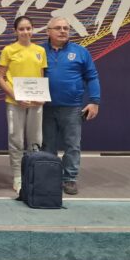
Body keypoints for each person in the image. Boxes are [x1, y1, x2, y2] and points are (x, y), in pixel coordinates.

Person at [42, 16, 100, 195]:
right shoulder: (39, 51)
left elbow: (92, 77)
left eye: (66, 28)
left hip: (72, 107)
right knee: (48, 145)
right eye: (58, 28)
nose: (63, 31)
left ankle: (70, 179)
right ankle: (50, 177)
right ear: (48, 31)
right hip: (44, 107)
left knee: (72, 145)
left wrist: (94, 101)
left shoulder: (81, 52)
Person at [0, 16, 47, 193]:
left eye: (28, 28)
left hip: (36, 103)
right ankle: (17, 177)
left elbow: (41, 76)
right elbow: (0, 77)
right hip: (14, 102)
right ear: (15, 31)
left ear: (33, 29)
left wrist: (41, 96)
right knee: (16, 140)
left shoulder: (40, 50)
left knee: (35, 141)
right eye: (21, 29)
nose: (25, 32)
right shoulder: (8, 50)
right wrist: (16, 96)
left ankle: (33, 174)